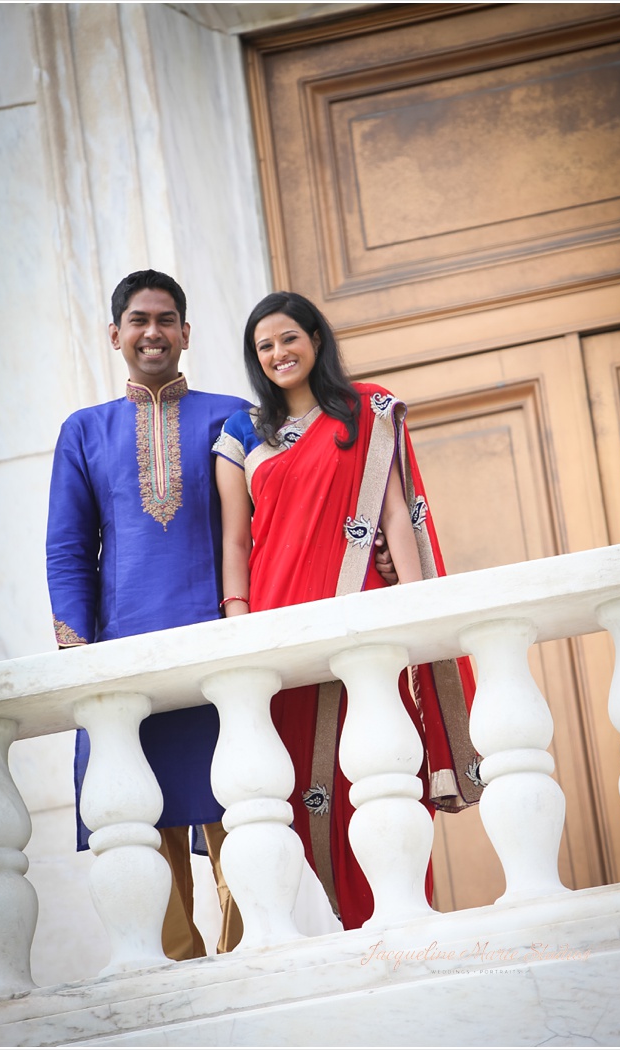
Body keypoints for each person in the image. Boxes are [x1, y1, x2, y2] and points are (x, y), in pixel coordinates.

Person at [213, 290, 483, 929]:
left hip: (361, 623)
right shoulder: (241, 434)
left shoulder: (366, 411)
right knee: (295, 790)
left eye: (289, 338)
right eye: (265, 346)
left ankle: (399, 928)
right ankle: (321, 941)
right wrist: (237, 624)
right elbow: (234, 537)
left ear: (315, 338)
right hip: (279, 633)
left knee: (379, 774)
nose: (279, 353)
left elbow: (396, 513)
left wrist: (414, 612)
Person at [46, 269, 251, 960]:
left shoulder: (234, 416)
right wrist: (83, 657)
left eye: (166, 319)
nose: (153, 332)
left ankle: (246, 973)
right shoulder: (86, 431)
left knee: (241, 816)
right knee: (144, 824)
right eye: (139, 320)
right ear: (116, 335)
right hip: (127, 661)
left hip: (221, 648)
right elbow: (69, 547)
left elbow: (259, 530)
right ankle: (180, 986)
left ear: (186, 333)